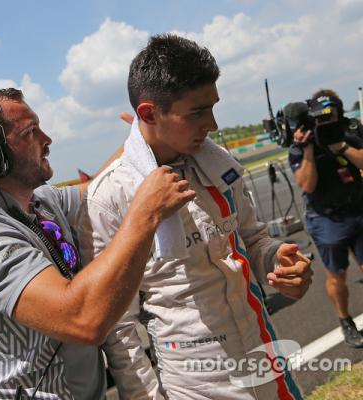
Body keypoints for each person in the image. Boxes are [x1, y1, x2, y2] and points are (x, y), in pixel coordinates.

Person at [79, 34, 312, 400]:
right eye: (197, 112)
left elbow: (252, 239)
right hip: (196, 386)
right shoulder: (110, 196)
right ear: (149, 114)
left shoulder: (218, 165)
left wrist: (278, 259)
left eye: (213, 107)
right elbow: (118, 326)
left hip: (265, 359)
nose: (213, 124)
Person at [0, 88, 196, 399]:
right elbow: (83, 320)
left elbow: (100, 186)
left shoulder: (42, 204)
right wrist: (145, 216)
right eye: (30, 132)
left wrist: (143, 141)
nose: (47, 140)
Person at [289, 88, 363, 348]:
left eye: (330, 116)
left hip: (358, 209)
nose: (325, 123)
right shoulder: (302, 143)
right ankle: (345, 320)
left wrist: (341, 146)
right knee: (337, 275)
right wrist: (308, 149)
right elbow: (307, 185)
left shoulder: (351, 131)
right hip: (327, 219)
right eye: (320, 118)